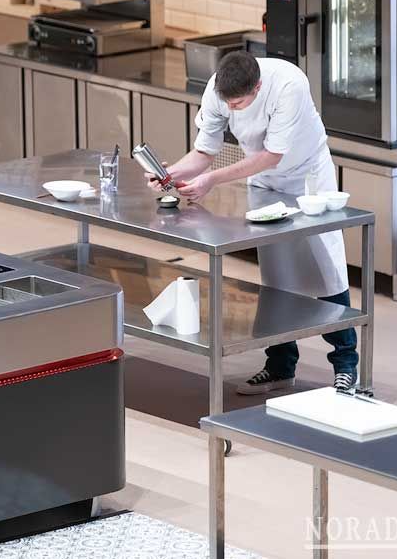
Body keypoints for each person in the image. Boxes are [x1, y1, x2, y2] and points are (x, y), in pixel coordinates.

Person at [147, 51, 358, 395]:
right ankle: (280, 367)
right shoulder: (218, 88)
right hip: (263, 180)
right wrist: (169, 174)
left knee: (326, 269)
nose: (232, 109)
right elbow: (204, 153)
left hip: (307, 177)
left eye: (239, 104)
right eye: (227, 103)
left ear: (257, 87)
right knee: (276, 277)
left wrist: (211, 180)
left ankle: (346, 365)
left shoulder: (289, 84)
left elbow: (273, 155)